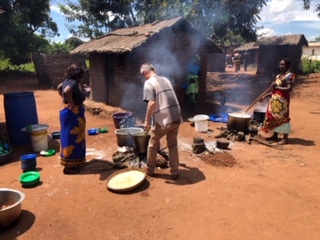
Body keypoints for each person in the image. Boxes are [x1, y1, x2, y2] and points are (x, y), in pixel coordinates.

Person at [140, 63, 183, 180]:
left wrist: (146, 121)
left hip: (165, 119)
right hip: (176, 116)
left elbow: (152, 103)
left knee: (152, 143)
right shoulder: (165, 79)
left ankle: (150, 169)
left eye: (142, 75)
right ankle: (175, 171)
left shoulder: (149, 83)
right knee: (172, 144)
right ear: (154, 70)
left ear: (145, 72)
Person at [57, 64, 87, 174]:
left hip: (68, 113)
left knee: (69, 136)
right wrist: (72, 103)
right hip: (72, 114)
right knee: (72, 138)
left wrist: (65, 100)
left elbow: (60, 88)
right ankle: (70, 166)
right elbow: (66, 91)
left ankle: (74, 163)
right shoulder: (73, 83)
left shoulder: (68, 81)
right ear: (78, 75)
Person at [259, 58, 295, 145]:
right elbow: (273, 91)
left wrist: (276, 87)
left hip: (283, 101)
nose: (281, 66)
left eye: (283, 64)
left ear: (288, 66)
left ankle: (285, 139)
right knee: (274, 117)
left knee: (283, 118)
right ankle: (275, 135)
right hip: (274, 100)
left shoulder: (290, 75)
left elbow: (288, 89)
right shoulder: (278, 76)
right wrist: (265, 96)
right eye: (280, 64)